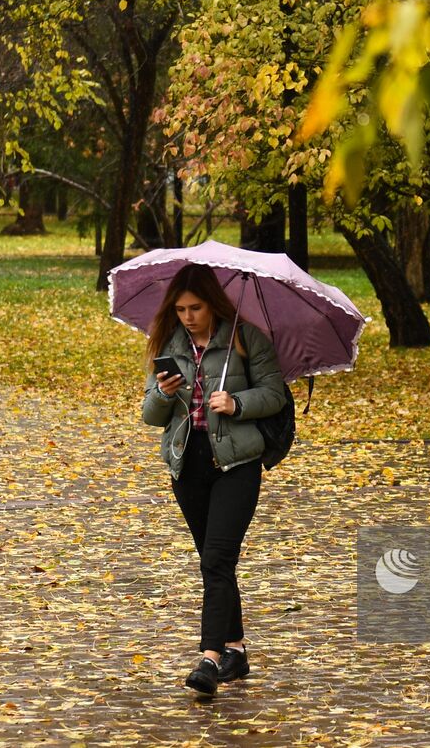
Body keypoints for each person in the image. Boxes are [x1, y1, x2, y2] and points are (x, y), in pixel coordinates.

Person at [141, 263, 286, 697]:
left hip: (236, 464)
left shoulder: (246, 338)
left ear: (212, 303)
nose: (188, 316)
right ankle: (236, 649)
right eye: (181, 308)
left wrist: (237, 402)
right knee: (214, 560)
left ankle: (209, 657)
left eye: (196, 307)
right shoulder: (172, 345)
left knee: (216, 559)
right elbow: (151, 415)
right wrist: (164, 393)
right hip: (189, 465)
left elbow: (275, 393)